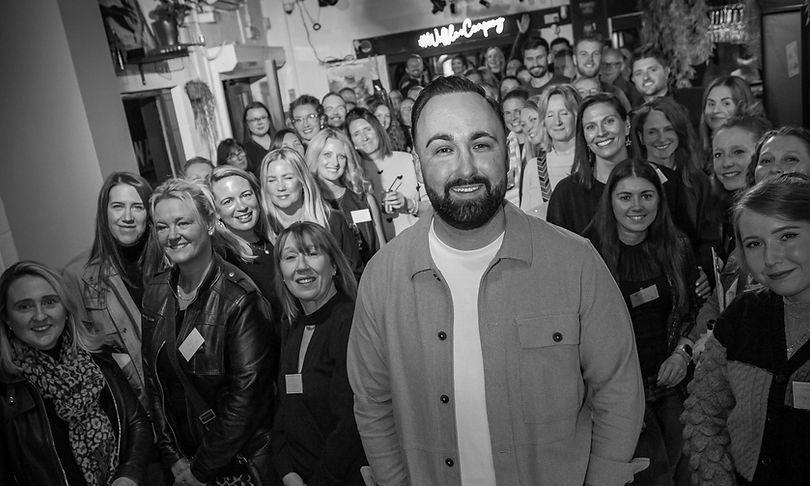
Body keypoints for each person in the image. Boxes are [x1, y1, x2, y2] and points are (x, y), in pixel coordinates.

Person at [347, 75, 645, 486]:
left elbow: (618, 389)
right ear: (417, 164)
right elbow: (373, 404)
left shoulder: (575, 262)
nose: (465, 168)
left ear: (507, 152)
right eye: (443, 149)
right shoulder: (382, 279)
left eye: (481, 144)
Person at [143, 178, 278, 486]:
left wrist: (199, 470)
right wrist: (172, 456)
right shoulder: (155, 292)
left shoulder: (240, 298)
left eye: (183, 223)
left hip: (235, 465)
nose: (172, 235)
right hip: (183, 463)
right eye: (162, 226)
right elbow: (155, 383)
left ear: (209, 223)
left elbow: (246, 400)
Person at [682, 174, 810, 485]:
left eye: (787, 236)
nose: (771, 258)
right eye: (754, 244)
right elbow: (704, 412)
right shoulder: (742, 314)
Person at [586, 159, 698, 486]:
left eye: (646, 195)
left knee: (684, 474)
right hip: (616, 394)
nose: (637, 206)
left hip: (669, 384)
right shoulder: (586, 252)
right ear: (609, 201)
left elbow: (694, 312)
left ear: (659, 200)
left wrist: (682, 353)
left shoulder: (677, 247)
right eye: (625, 197)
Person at [1, 261, 152, 486]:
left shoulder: (99, 357)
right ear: (7, 318)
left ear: (65, 307)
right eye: (24, 306)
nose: (40, 316)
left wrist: (129, 475)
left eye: (49, 302)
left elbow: (137, 422)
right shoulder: (6, 390)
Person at [271, 222, 367, 486]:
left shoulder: (349, 323)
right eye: (290, 257)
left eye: (312, 253)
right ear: (282, 273)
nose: (301, 266)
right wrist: (286, 470)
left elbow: (350, 424)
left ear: (333, 265)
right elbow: (284, 409)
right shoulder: (291, 324)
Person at [63, 172, 162, 406]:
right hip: (138, 404)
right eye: (118, 206)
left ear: (149, 214)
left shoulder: (168, 260)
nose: (127, 217)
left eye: (137, 207)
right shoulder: (79, 276)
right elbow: (84, 355)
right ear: (104, 212)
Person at [630, 97, 716, 275]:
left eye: (668, 129)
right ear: (641, 137)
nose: (662, 138)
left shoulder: (698, 181)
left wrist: (703, 272)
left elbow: (710, 237)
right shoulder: (631, 182)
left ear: (679, 132)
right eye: (652, 132)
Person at [259, 148, 364, 277]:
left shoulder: (333, 221)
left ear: (302, 181)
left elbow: (354, 273)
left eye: (288, 178)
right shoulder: (261, 231)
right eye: (271, 180)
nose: (280, 187)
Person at [547, 93, 630, 235]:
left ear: (627, 124)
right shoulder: (566, 194)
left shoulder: (660, 180)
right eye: (591, 127)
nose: (601, 132)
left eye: (609, 121)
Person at [305, 128, 386, 263]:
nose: (335, 163)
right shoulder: (308, 203)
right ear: (315, 156)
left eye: (341, 156)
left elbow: (383, 250)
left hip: (370, 274)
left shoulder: (365, 200)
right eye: (327, 155)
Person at [209, 165, 282, 315]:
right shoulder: (224, 260)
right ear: (216, 212)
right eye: (228, 201)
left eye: (246, 195)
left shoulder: (275, 241)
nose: (242, 206)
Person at [346, 108, 424, 240]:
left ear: (378, 130)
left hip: (417, 242)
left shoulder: (409, 161)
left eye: (368, 129)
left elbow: (435, 209)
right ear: (352, 142)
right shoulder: (352, 175)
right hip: (381, 249)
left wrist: (409, 204)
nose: (364, 137)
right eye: (356, 134)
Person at [699, 75, 759, 166]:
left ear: (743, 106)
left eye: (726, 103)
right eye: (711, 104)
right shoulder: (696, 153)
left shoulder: (759, 149)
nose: (715, 110)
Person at [538, 84, 581, 191]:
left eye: (564, 113)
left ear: (577, 116)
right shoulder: (533, 167)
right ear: (543, 121)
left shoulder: (594, 161)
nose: (557, 122)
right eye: (550, 115)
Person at [501, 88, 530, 206]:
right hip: (512, 208)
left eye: (517, 111)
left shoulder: (540, 143)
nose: (513, 117)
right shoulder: (503, 146)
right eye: (507, 113)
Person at [242, 101, 274, 174]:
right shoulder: (245, 151)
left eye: (263, 118)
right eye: (254, 120)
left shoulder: (282, 140)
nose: (259, 122)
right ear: (247, 124)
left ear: (269, 120)